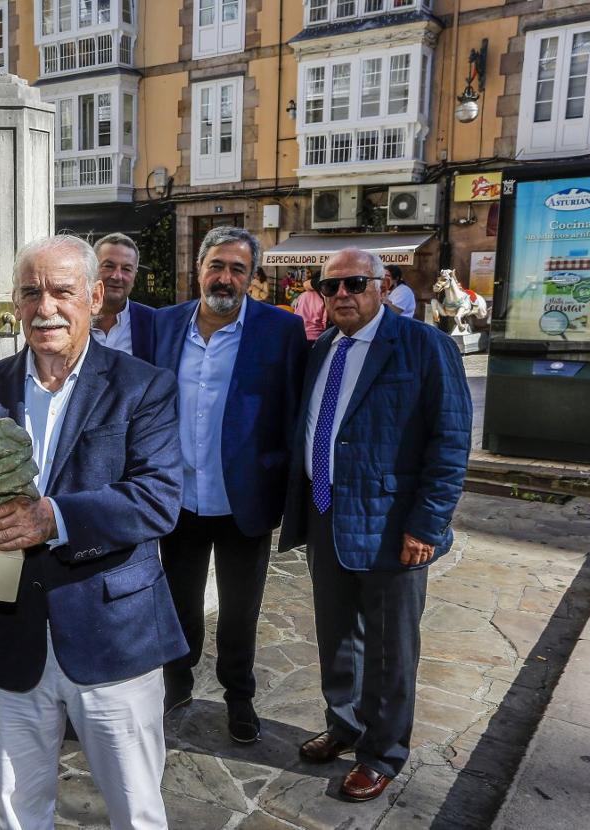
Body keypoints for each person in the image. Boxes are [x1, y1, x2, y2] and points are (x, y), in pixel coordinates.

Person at [0, 234, 187, 829]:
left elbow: (157, 500)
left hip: (112, 638)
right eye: (31, 292)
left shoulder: (143, 386)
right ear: (15, 304)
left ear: (95, 297)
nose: (45, 307)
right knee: (20, 812)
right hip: (8, 633)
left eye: (62, 291)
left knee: (136, 811)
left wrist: (52, 518)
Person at [280, 247, 470, 802]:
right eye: (329, 285)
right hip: (327, 514)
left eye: (355, 284)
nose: (342, 294)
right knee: (337, 636)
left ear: (383, 287)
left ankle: (382, 753)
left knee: (390, 649)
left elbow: (452, 441)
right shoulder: (323, 350)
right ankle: (344, 724)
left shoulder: (424, 346)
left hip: (394, 527)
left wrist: (428, 526)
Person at [151, 227, 308, 742]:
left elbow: (292, 409)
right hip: (179, 499)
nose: (225, 277)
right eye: (216, 265)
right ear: (198, 270)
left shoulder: (279, 330)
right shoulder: (164, 325)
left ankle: (239, 696)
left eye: (238, 269)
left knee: (241, 609)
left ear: (252, 277)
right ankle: (177, 682)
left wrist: (282, 480)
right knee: (179, 602)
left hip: (245, 497)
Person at [90, 232, 155, 361]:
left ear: (134, 276)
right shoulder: (74, 317)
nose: (117, 276)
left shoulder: (153, 323)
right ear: (92, 269)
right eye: (109, 266)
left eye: (126, 269)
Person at [295, 274, 328, 341]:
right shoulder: (324, 298)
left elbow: (296, 311)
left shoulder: (302, 296)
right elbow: (325, 322)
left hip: (299, 334)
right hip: (316, 337)